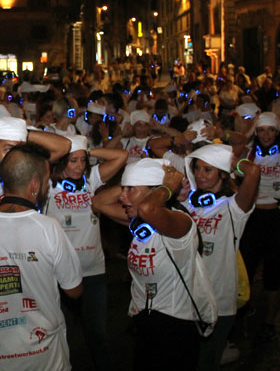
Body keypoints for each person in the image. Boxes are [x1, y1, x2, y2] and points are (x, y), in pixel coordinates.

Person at [0, 143, 82, 370]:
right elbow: (74, 289)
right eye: (46, 179)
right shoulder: (48, 227)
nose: (48, 186)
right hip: (44, 355)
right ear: (34, 185)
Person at [92, 158, 217, 370]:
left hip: (176, 326)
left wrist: (166, 187)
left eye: (130, 189)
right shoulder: (140, 223)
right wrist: (130, 179)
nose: (122, 196)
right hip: (145, 322)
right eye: (123, 189)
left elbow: (149, 209)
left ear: (156, 193)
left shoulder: (180, 222)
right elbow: (97, 202)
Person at [44, 135, 127, 370]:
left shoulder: (91, 180)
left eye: (82, 160)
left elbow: (121, 156)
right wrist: (62, 151)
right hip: (58, 272)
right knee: (62, 333)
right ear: (61, 162)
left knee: (97, 334)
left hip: (93, 271)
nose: (79, 166)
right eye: (72, 161)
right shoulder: (46, 184)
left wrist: (88, 150)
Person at [181, 144, 260, 370]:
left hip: (219, 299)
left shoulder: (233, 207)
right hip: (187, 298)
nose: (199, 175)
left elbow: (253, 172)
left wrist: (234, 163)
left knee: (207, 361)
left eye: (208, 170)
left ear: (223, 174)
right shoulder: (188, 204)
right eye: (197, 168)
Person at [238, 112, 280, 340]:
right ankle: (242, 315)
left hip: (279, 219)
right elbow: (231, 154)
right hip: (252, 218)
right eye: (262, 130)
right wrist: (249, 131)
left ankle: (269, 322)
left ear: (276, 132)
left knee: (273, 275)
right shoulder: (249, 153)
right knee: (245, 271)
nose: (266, 135)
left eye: (270, 130)